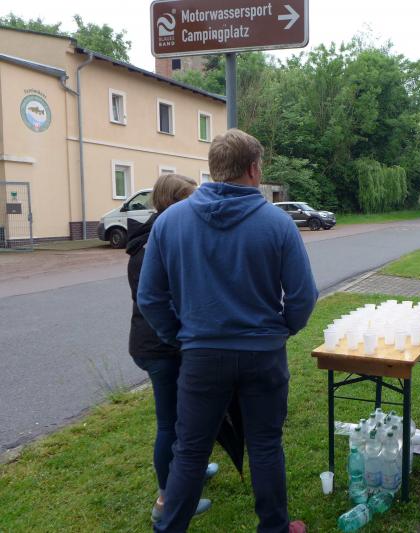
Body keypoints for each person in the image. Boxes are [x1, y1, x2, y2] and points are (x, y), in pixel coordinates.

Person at [138, 129, 318, 533]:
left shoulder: (169, 222)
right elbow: (303, 295)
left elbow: (150, 297)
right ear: (253, 169)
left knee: (190, 451)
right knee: (265, 445)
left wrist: (178, 336)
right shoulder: (278, 223)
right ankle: (273, 527)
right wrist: (285, 328)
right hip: (263, 355)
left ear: (214, 168)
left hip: (201, 356)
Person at [126, 173, 218, 523]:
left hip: (167, 343)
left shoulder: (166, 233)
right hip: (160, 347)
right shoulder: (151, 244)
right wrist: (180, 336)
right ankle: (168, 498)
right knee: (170, 423)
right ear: (173, 201)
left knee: (185, 417)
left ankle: (192, 471)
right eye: (190, 198)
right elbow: (154, 301)